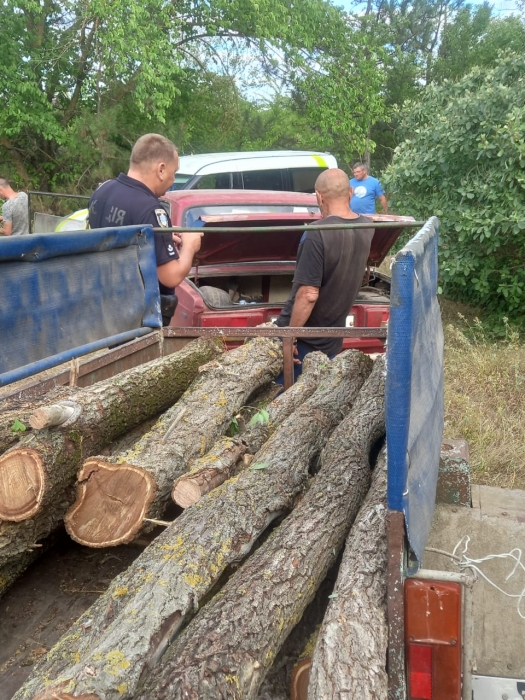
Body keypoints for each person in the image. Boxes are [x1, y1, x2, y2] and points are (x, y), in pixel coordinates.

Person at [88, 134, 203, 324]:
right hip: (137, 315)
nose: (173, 180)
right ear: (161, 169)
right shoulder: (150, 209)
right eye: (174, 172)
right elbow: (171, 276)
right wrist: (189, 245)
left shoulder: (102, 192)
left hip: (105, 305)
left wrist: (159, 238)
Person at [275, 168, 374, 379]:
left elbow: (308, 294)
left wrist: (290, 336)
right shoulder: (368, 226)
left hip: (303, 343)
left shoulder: (316, 232)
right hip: (331, 340)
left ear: (319, 196)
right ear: (350, 193)